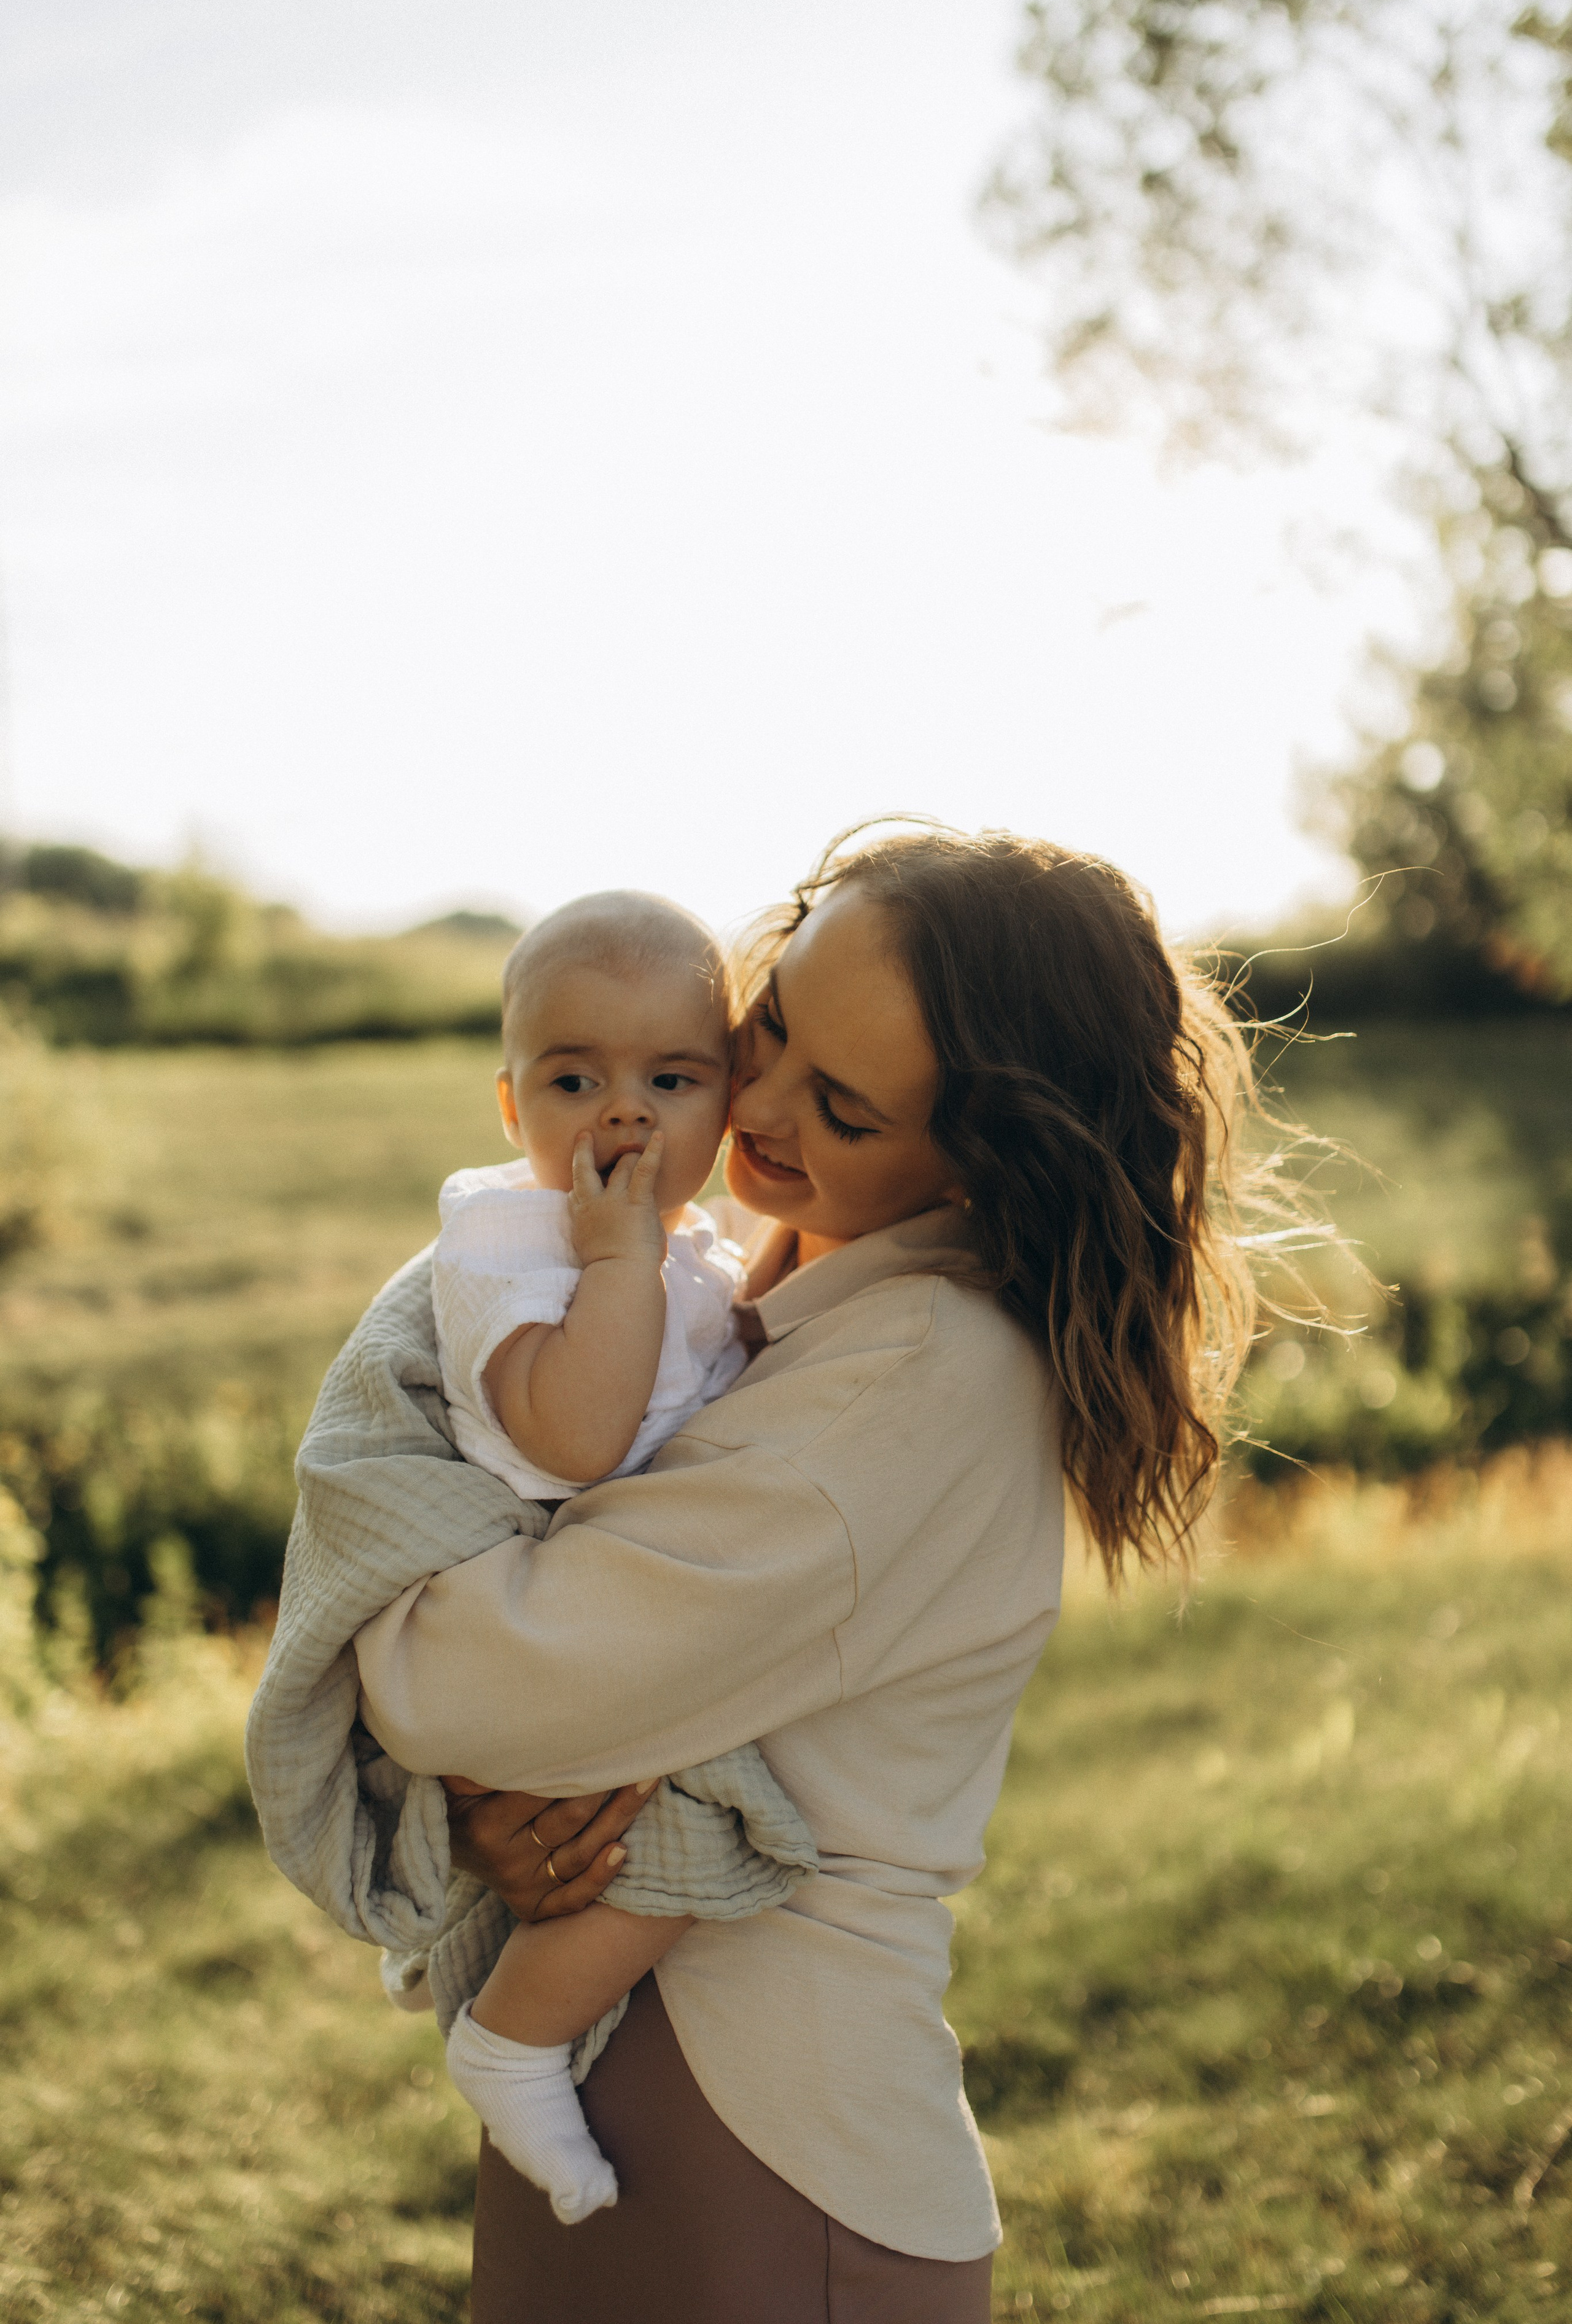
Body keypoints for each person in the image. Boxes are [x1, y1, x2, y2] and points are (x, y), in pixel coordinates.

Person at [340, 823, 1267, 2322]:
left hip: (755, 2134)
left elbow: (457, 1681)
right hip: (626, 2068)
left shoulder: (910, 1377)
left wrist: (434, 1697)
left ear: (983, 1157)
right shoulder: (750, 1284)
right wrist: (499, 1812)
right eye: (767, 1021)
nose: (753, 1101)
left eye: (837, 1104)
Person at [423, 889, 818, 2223]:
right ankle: (511, 2038)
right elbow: (583, 1438)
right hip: (535, 1592)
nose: (625, 1112)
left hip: (588, 1592)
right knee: (706, 1819)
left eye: (669, 1075)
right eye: (574, 1076)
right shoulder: (509, 1241)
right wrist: (616, 1257)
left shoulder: (682, 1248)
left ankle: (474, 1969)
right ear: (508, 1107)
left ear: (728, 1098)